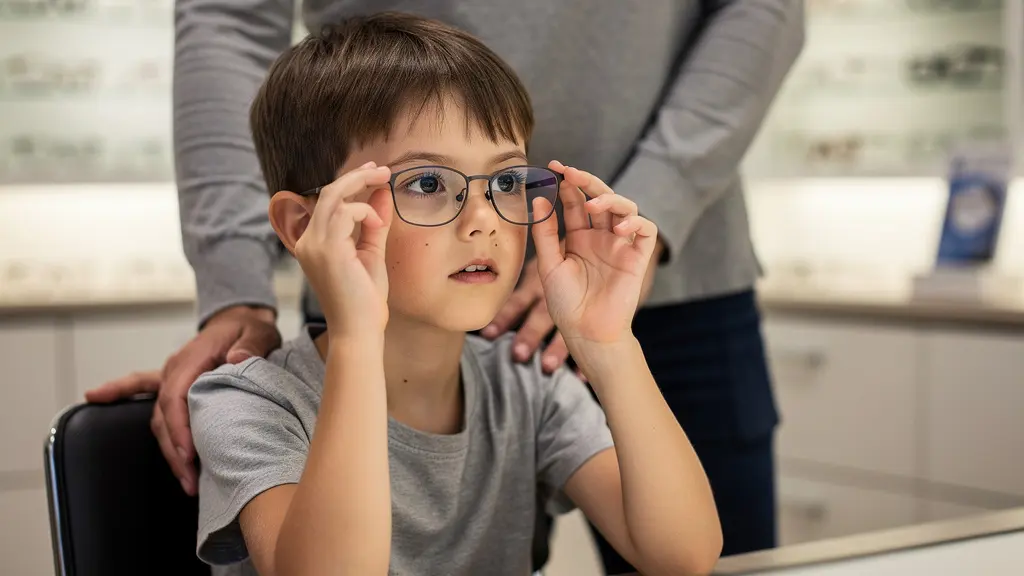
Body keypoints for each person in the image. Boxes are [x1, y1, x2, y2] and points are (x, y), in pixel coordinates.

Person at [86, 0, 805, 571]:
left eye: (504, 180)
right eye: (428, 183)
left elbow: (684, 556)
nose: (485, 219)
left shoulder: (529, 385)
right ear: (306, 223)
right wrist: (359, 340)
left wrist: (608, 348)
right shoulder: (247, 404)